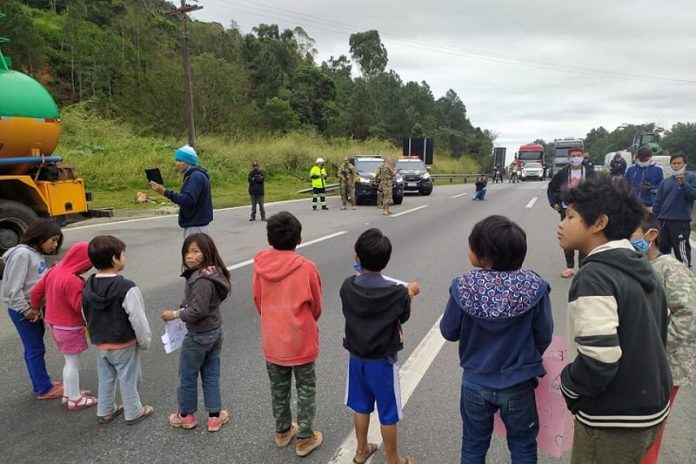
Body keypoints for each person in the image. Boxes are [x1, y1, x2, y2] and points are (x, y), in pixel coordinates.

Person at [557, 173, 671, 464]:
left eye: (569, 216)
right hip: (649, 406)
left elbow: (600, 358)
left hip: (613, 417)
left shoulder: (595, 276)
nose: (561, 224)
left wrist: (569, 385)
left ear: (599, 223)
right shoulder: (640, 266)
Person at [440, 215, 553, 464]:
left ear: (484, 255)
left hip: (475, 383)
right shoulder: (533, 286)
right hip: (518, 384)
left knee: (473, 446)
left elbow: (449, 331)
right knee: (523, 446)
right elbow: (544, 334)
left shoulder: (465, 286)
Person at [340, 228, 420, 464]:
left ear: (357, 257)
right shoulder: (397, 293)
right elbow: (402, 316)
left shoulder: (347, 286)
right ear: (386, 260)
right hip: (383, 362)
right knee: (388, 413)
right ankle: (393, 459)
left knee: (361, 407)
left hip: (356, 358)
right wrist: (410, 293)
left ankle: (361, 450)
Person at [252, 212, 323, 457]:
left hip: (273, 339)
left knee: (278, 388)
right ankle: (304, 437)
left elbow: (258, 301)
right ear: (299, 238)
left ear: (270, 237)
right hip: (301, 338)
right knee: (305, 388)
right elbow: (316, 306)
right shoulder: (307, 267)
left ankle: (282, 431)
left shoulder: (260, 266)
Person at [630, 212, 696, 464]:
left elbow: (690, 315)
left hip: (664, 367)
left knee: (649, 432)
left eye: (631, 235)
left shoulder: (669, 268)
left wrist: (654, 347)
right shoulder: (636, 266)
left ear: (652, 235)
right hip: (642, 365)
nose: (626, 241)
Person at [161, 233, 231, 432]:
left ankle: (186, 415)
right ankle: (214, 417)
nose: (189, 256)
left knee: (188, 376)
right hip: (215, 331)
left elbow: (198, 310)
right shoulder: (212, 273)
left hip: (199, 335)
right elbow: (203, 303)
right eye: (186, 252)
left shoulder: (201, 279)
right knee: (211, 374)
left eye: (195, 251)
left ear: (206, 253)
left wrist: (175, 314)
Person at [82, 235, 154, 425]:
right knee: (128, 377)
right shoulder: (126, 287)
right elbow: (138, 318)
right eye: (123, 254)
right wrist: (144, 341)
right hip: (124, 343)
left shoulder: (88, 286)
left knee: (106, 377)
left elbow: (85, 313)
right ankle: (134, 411)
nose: (125, 258)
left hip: (101, 343)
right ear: (115, 259)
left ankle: (105, 410)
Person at [1, 219, 64, 400]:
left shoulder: (35, 253)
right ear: (40, 237)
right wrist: (28, 311)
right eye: (52, 239)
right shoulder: (22, 254)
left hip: (33, 309)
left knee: (37, 347)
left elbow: (34, 279)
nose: (55, 244)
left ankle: (43, 382)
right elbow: (13, 289)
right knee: (34, 349)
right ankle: (43, 388)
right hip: (24, 312)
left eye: (57, 240)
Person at [30, 242, 96, 411]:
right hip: (70, 327)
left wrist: (36, 307)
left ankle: (69, 392)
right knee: (73, 364)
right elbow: (80, 307)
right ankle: (75, 399)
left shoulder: (54, 270)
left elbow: (36, 291)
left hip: (54, 324)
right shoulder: (73, 281)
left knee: (69, 361)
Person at [547, 146, 594, 278]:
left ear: (583, 156)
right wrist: (554, 203)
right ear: (568, 158)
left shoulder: (590, 173)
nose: (576, 158)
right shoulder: (562, 173)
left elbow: (597, 190)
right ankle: (569, 267)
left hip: (585, 209)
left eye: (578, 155)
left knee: (585, 237)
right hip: (567, 209)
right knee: (568, 236)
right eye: (573, 156)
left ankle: (583, 267)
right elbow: (552, 188)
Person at [150, 145, 213, 237]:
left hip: (195, 226)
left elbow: (187, 200)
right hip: (198, 224)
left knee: (193, 251)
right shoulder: (196, 175)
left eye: (180, 160)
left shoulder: (195, 177)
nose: (177, 163)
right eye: (176, 160)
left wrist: (165, 192)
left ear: (188, 162)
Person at [652, 152, 696, 268]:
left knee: (681, 253)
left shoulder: (691, 178)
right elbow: (658, 202)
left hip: (680, 221)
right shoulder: (666, 182)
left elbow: (693, 195)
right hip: (664, 221)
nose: (676, 166)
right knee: (661, 253)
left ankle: (686, 278)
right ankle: (662, 277)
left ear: (685, 164)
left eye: (679, 163)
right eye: (674, 163)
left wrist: (683, 183)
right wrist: (654, 220)